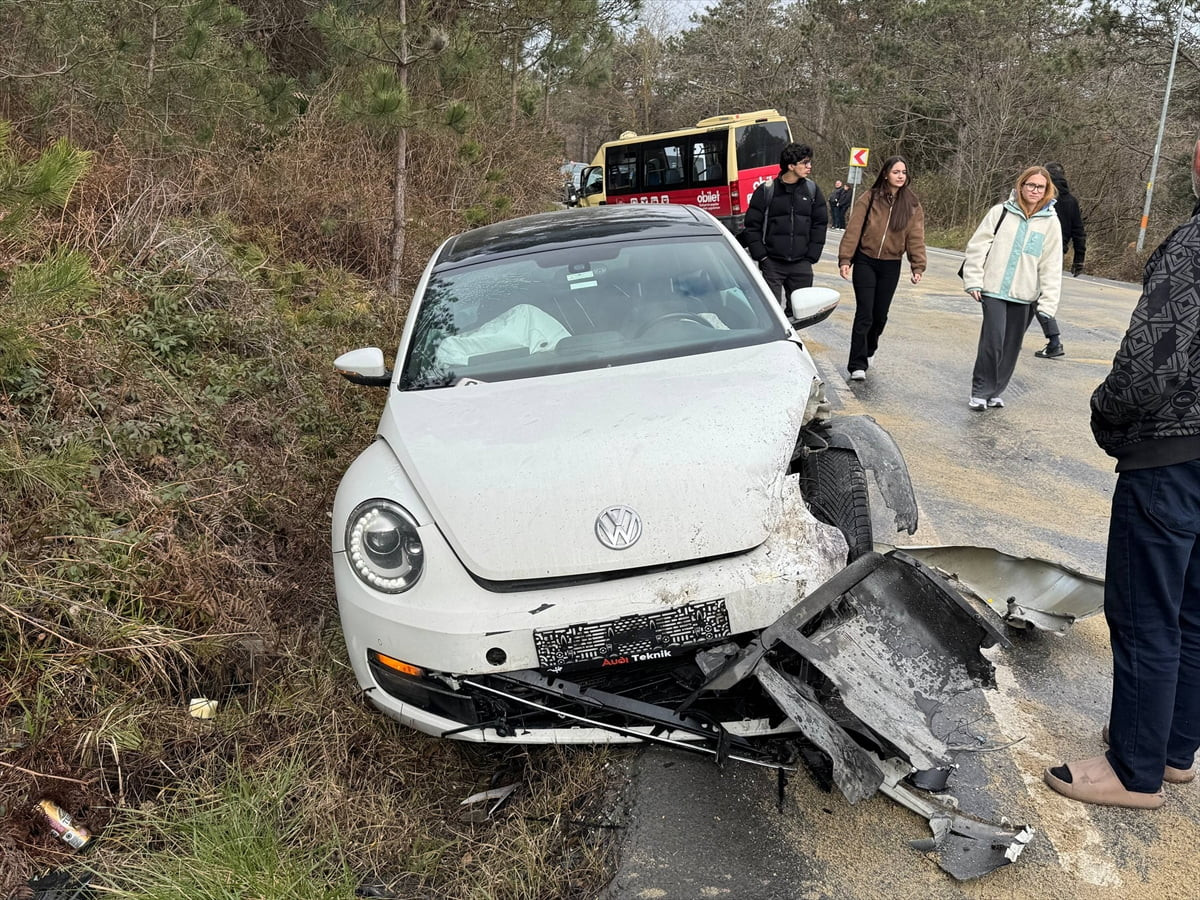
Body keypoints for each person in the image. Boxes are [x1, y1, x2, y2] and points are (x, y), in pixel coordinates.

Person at [1043, 137, 1200, 811]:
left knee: (1144, 614)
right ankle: (1171, 749)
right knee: (1192, 612)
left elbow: (1148, 366)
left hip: (1171, 458)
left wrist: (1105, 413)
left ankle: (1134, 768)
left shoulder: (1195, 244)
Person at [961, 166, 1062, 409]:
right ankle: (980, 390)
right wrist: (973, 279)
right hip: (994, 289)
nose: (1035, 190)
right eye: (1030, 185)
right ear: (1021, 185)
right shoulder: (1000, 212)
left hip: (1025, 295)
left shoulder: (1051, 223)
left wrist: (1048, 302)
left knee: (1011, 345)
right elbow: (977, 247)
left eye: (1040, 187)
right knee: (992, 341)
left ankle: (995, 391)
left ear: (1047, 190)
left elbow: (1051, 265)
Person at [837, 156, 926, 381]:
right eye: (896, 171)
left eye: (903, 172)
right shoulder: (869, 197)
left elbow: (916, 237)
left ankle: (869, 349)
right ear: (886, 174)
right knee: (865, 313)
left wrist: (918, 265)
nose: (900, 176)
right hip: (866, 260)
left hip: (891, 264)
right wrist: (845, 259)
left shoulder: (912, 205)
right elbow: (854, 229)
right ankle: (857, 364)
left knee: (880, 315)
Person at [743, 143, 828, 316]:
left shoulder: (812, 190)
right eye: (804, 163)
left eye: (809, 162)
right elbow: (752, 226)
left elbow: (820, 223)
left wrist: (811, 257)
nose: (809, 167)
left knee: (801, 314)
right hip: (772, 263)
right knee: (770, 314)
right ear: (791, 166)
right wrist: (762, 256)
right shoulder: (767, 190)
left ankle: (793, 342)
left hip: (802, 264)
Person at [1033, 161, 1087, 359]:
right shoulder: (1071, 201)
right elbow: (1079, 232)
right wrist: (1079, 259)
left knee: (1033, 296)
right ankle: (1013, 339)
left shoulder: (1041, 197)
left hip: (1034, 250)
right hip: (1057, 254)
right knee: (1034, 296)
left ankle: (1054, 341)